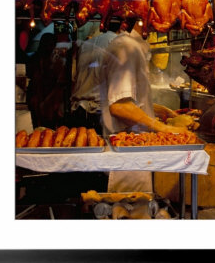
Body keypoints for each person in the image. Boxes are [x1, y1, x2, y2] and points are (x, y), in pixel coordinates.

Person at [99, 19, 187, 192]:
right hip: (128, 150)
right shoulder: (127, 48)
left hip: (133, 149)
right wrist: (162, 128)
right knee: (128, 210)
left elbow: (130, 99)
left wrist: (160, 111)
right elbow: (119, 106)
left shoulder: (132, 47)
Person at [68, 22, 120, 133]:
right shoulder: (118, 42)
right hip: (100, 113)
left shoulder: (85, 44)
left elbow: (75, 76)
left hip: (78, 110)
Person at [26, 32, 68, 129]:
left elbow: (58, 86)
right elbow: (35, 83)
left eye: (52, 45)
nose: (50, 48)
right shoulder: (36, 60)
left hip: (49, 101)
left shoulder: (55, 62)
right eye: (48, 44)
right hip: (38, 99)